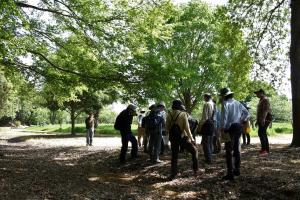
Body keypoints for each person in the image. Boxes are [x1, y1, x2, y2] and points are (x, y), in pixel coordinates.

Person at [219, 88, 250, 181]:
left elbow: (224, 117)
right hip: (238, 127)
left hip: (230, 128)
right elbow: (247, 114)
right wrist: (241, 120)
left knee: (229, 150)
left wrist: (223, 128)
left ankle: (230, 173)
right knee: (237, 149)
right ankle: (237, 169)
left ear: (224, 96)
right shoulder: (238, 103)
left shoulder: (225, 103)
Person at [166, 100, 198, 179]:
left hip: (173, 138)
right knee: (194, 151)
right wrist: (192, 139)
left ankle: (173, 173)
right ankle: (196, 170)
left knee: (174, 155)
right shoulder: (183, 114)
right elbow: (187, 129)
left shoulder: (169, 114)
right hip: (182, 137)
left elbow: (167, 128)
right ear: (180, 107)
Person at [255, 89, 272, 155]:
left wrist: (263, 119)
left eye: (257, 93)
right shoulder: (261, 100)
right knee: (262, 133)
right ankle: (265, 149)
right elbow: (259, 111)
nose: (256, 95)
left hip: (265, 119)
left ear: (262, 93)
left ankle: (265, 150)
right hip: (261, 119)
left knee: (261, 133)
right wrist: (257, 120)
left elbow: (265, 110)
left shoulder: (265, 99)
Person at [198, 93, 215, 164]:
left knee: (205, 143)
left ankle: (208, 159)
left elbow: (205, 117)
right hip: (212, 123)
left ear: (206, 97)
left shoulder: (206, 104)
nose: (203, 99)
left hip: (207, 124)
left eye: (204, 97)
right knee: (210, 142)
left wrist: (200, 126)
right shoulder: (213, 104)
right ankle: (210, 157)